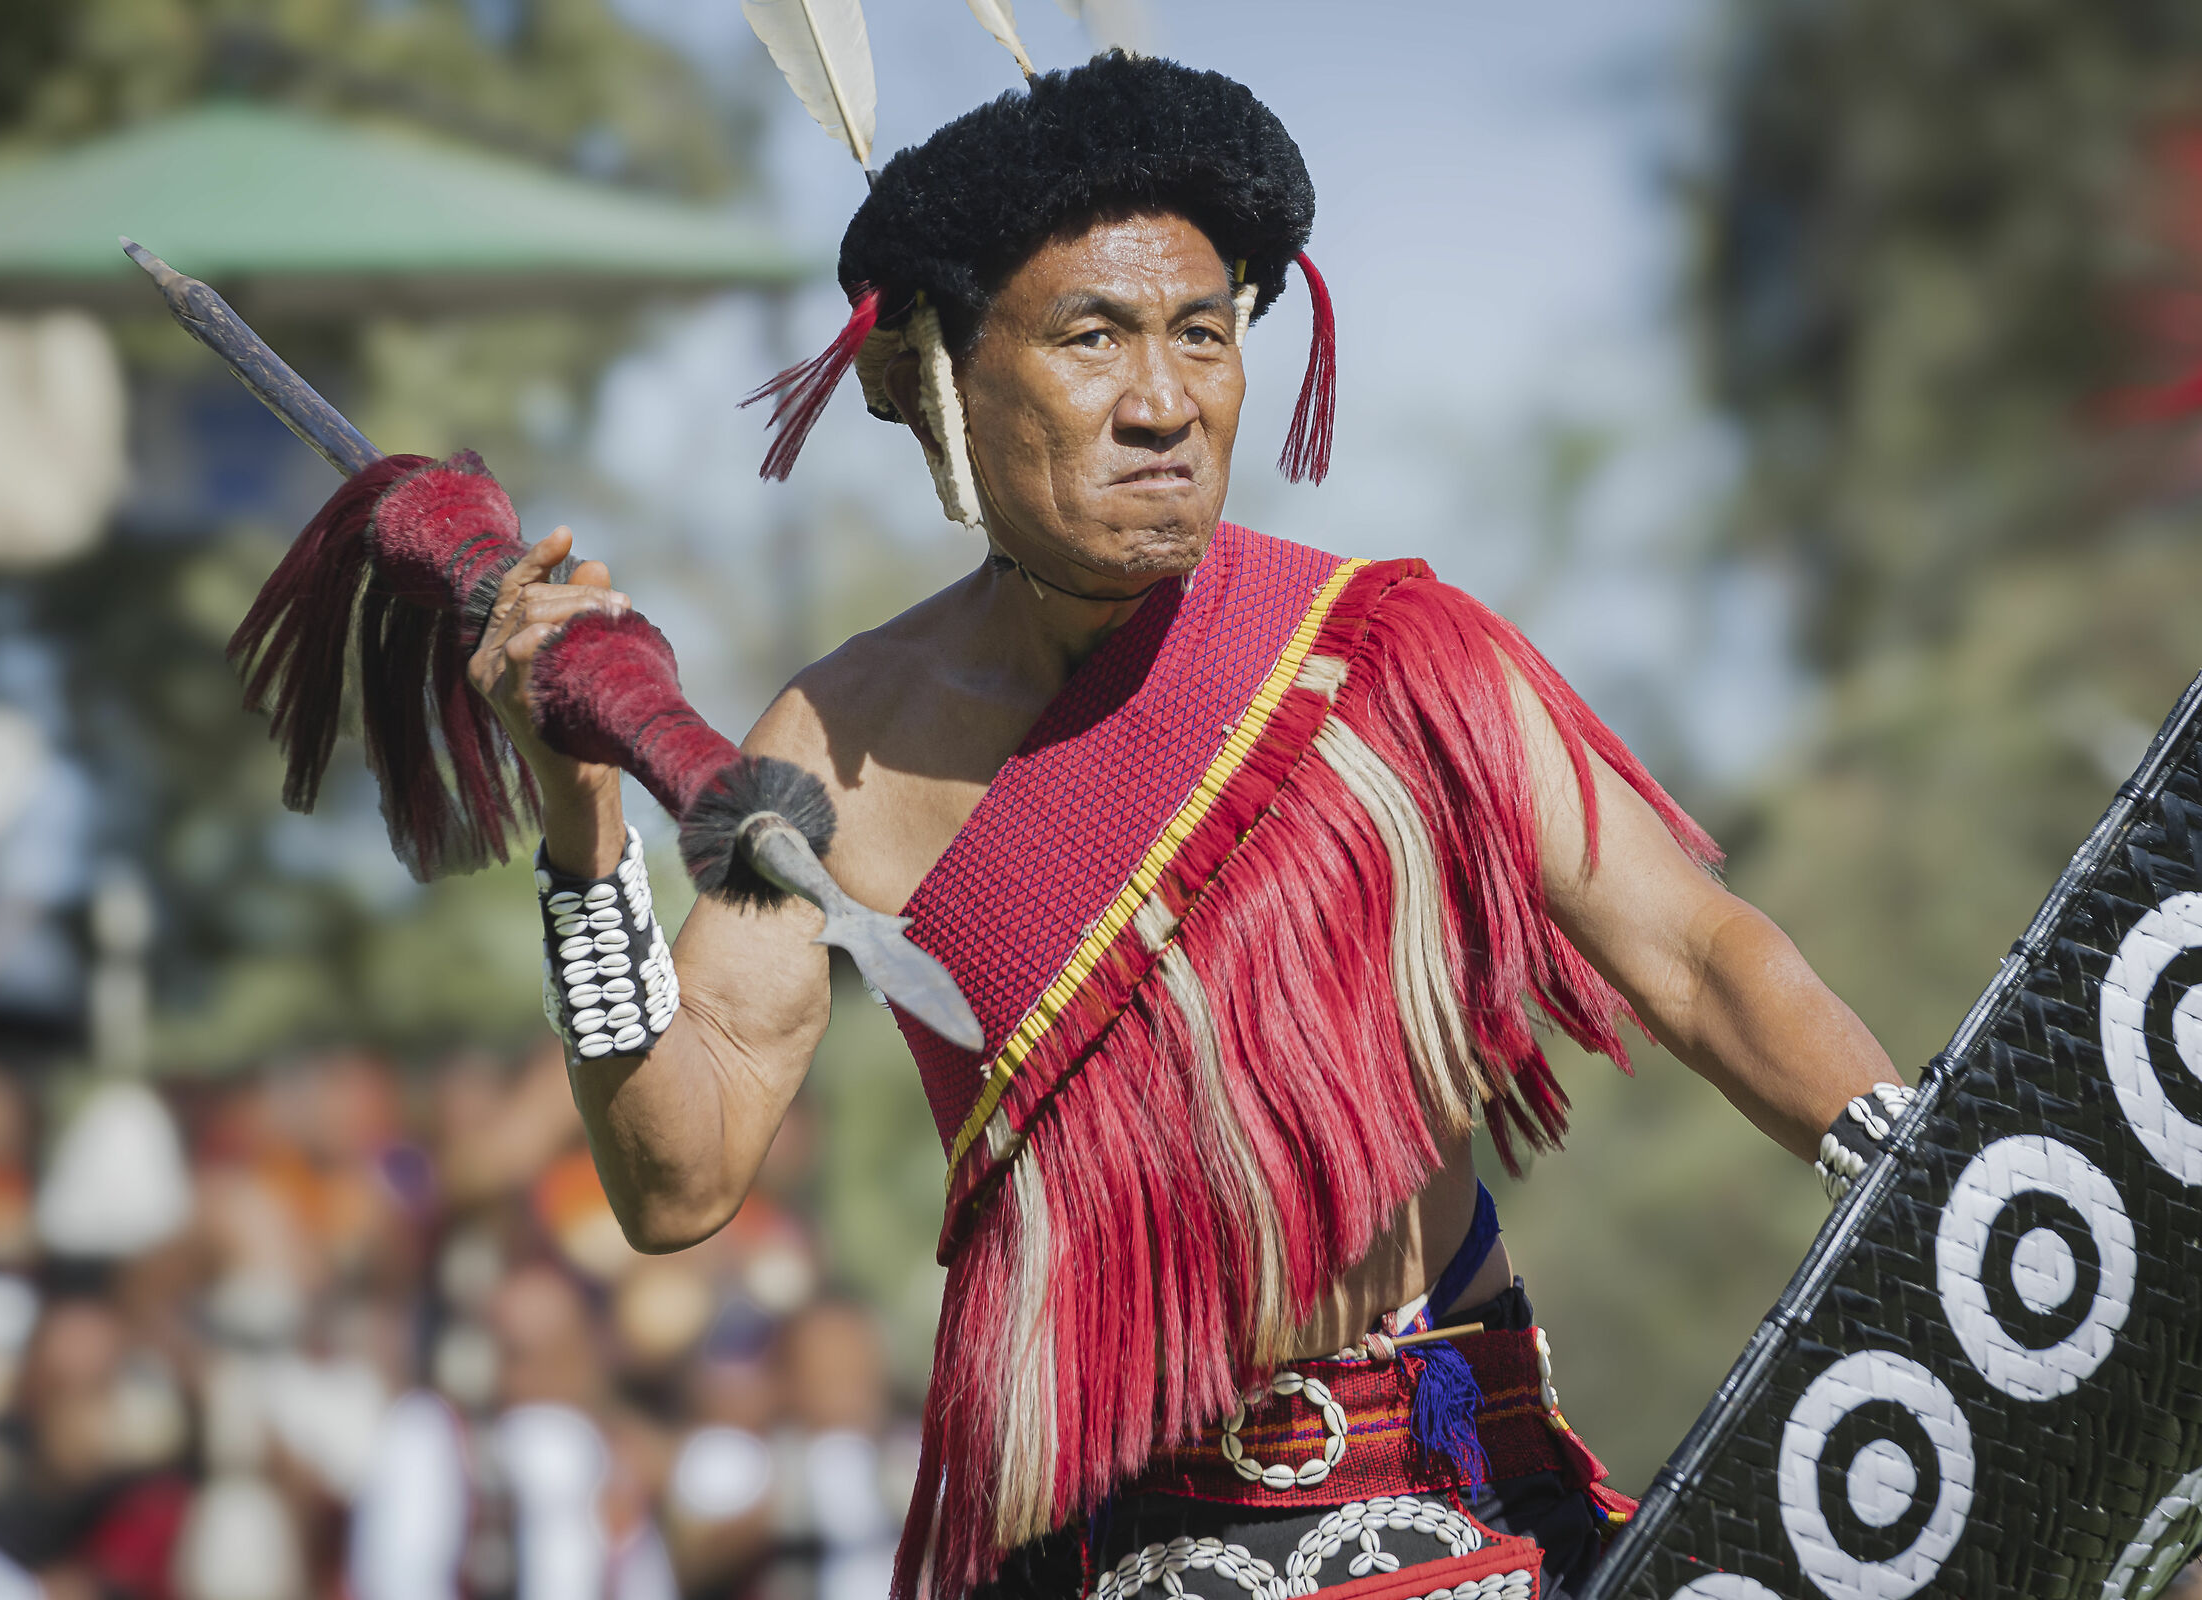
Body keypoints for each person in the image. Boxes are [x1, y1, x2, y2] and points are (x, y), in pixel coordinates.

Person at [462, 53, 1900, 1600]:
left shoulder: (1390, 658)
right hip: (1088, 1546)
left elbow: (1695, 956)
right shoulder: (834, 746)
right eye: (1095, 336)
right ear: (932, 379)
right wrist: (580, 824)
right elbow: (678, 1181)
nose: (1166, 403)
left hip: (1454, 1505)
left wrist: (1938, 1190)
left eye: (1202, 334)